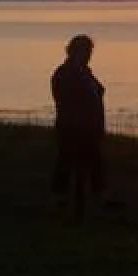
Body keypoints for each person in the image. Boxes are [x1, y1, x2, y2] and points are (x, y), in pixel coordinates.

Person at [51, 34, 106, 219]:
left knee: (92, 164)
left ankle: (90, 201)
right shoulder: (64, 74)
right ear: (74, 51)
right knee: (68, 163)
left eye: (90, 51)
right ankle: (66, 202)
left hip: (90, 128)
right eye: (86, 51)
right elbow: (66, 100)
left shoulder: (85, 72)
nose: (89, 55)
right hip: (73, 128)